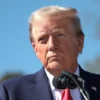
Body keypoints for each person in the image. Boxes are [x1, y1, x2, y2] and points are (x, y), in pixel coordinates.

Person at [0, 5, 100, 100]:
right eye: (43, 39)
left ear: (79, 42)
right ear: (36, 50)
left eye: (60, 35)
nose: (51, 45)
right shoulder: (11, 92)